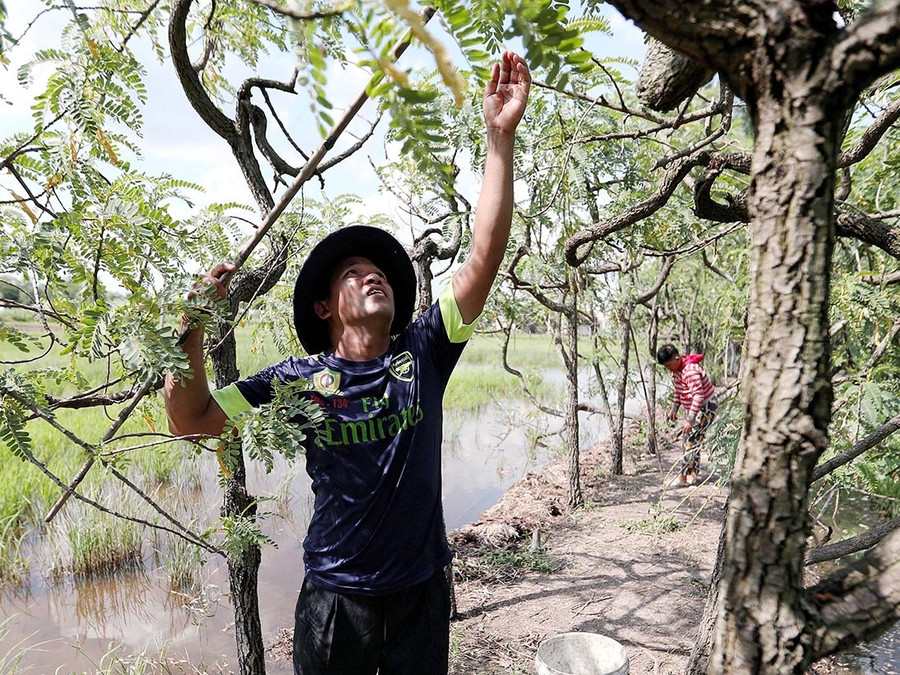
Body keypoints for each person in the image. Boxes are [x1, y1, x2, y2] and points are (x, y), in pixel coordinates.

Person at [164, 51, 530, 675]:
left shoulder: (425, 350)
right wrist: (190, 332)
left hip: (420, 594)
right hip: (336, 601)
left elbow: (482, 256)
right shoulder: (294, 383)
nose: (373, 277)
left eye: (380, 272)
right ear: (326, 308)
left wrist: (500, 137)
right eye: (353, 275)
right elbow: (191, 418)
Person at [656, 343, 717, 485]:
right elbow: (679, 391)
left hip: (706, 407)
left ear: (677, 358)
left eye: (669, 365)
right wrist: (674, 409)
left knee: (691, 439)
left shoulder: (690, 371)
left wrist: (690, 419)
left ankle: (684, 476)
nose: (668, 369)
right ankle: (691, 474)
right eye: (666, 366)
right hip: (694, 409)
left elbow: (698, 396)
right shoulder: (676, 372)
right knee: (689, 439)